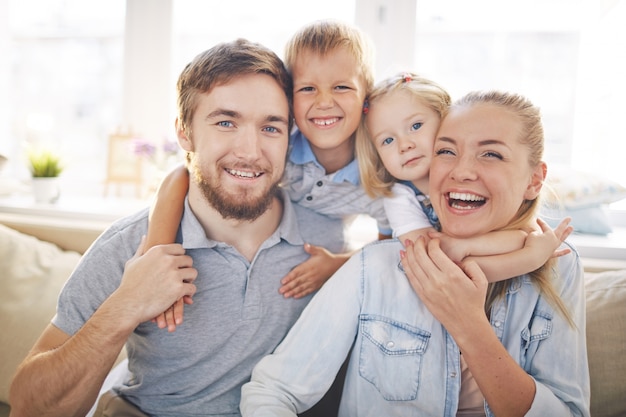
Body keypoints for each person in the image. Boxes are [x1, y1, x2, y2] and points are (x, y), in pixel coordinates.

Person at [9, 38, 346, 417]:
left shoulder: (326, 238)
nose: (250, 151)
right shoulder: (130, 246)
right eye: (225, 122)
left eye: (271, 128)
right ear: (184, 133)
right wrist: (126, 306)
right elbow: (28, 408)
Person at [240, 90, 590, 416]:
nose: (462, 171)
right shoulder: (375, 268)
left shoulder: (557, 264)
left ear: (534, 180)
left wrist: (469, 325)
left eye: (491, 154)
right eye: (446, 151)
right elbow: (272, 392)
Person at [148, 19, 388, 332]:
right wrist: (156, 252)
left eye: (341, 87)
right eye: (307, 89)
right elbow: (185, 172)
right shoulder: (283, 147)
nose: (325, 102)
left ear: (367, 97)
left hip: (326, 242)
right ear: (291, 100)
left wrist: (338, 264)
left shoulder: (381, 173)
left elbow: (390, 247)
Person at [356, 72, 573, 280]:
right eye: (387, 140)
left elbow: (527, 235)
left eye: (416, 126)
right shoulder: (399, 198)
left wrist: (467, 247)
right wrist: (530, 257)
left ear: (445, 123)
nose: (404, 145)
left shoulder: (486, 194)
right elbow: (438, 263)